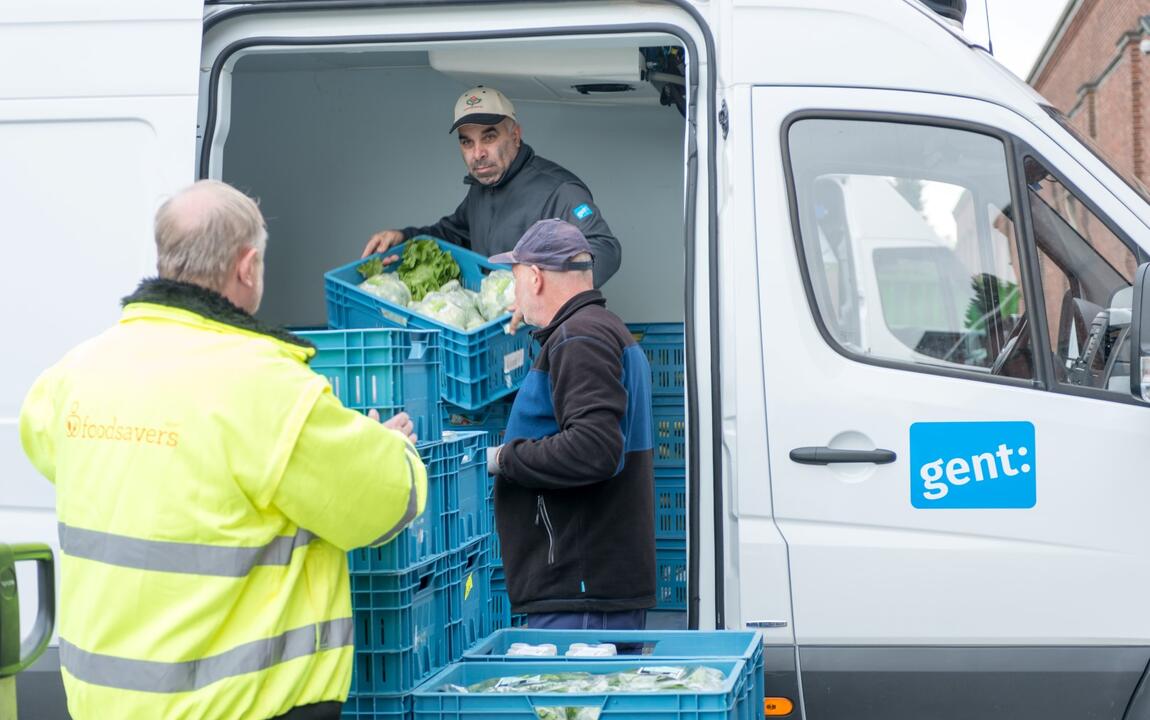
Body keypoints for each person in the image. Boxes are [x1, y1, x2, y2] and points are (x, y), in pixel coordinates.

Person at [19, 180, 427, 720]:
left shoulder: (75, 373)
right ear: (248, 266)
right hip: (234, 708)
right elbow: (384, 502)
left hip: (102, 704)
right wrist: (392, 447)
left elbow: (56, 448)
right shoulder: (267, 388)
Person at [484, 219, 655, 630]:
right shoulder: (601, 330)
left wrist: (503, 459)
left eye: (516, 278)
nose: (515, 292)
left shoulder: (580, 339)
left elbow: (595, 450)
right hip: (591, 591)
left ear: (536, 278)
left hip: (581, 597)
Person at [362, 86, 622, 289]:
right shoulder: (481, 189)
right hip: (495, 338)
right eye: (467, 142)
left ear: (515, 135)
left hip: (545, 340)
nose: (478, 153)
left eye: (489, 137)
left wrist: (548, 292)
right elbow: (454, 234)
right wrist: (405, 238)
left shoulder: (559, 190)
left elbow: (605, 249)